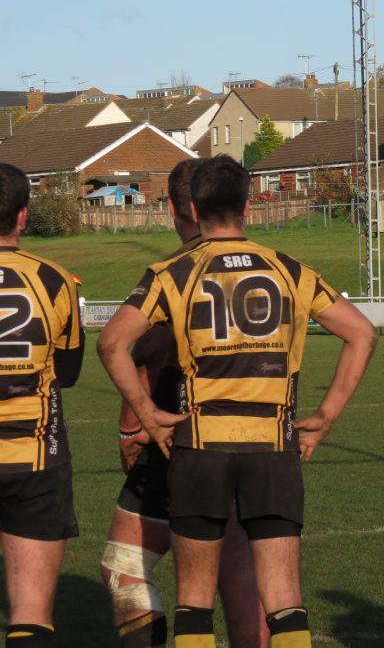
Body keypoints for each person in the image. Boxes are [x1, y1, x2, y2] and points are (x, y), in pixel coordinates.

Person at [97, 156, 378, 648]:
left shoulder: (173, 272)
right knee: (286, 603)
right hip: (272, 448)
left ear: (192, 207)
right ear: (248, 205)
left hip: (200, 449)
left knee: (194, 606)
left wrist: (145, 413)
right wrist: (325, 417)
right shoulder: (290, 270)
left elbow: (113, 343)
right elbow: (362, 333)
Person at [100, 159, 268, 648]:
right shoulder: (268, 265)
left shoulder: (175, 273)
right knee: (238, 576)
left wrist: (132, 423)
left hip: (181, 439)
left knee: (126, 567)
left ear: (179, 209)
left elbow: (138, 349)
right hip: (257, 440)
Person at [0, 163, 84, 646]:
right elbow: (68, 374)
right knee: (30, 611)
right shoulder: (55, 280)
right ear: (24, 216)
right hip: (35, 457)